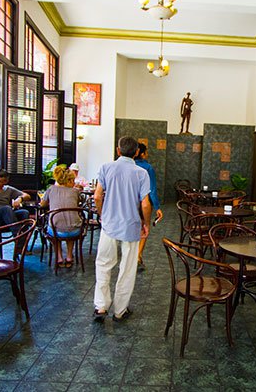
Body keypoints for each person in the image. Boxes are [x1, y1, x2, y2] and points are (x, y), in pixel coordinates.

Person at [92, 136, 151, 322]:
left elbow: (97, 197)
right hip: (131, 225)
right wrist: (146, 223)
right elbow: (146, 204)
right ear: (136, 152)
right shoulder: (141, 173)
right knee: (127, 268)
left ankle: (101, 306)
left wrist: (102, 215)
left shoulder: (106, 168)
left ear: (118, 150)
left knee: (103, 264)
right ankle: (120, 310)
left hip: (109, 224)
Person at [40, 166, 82, 268]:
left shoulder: (50, 189)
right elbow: (77, 203)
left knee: (56, 226)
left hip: (56, 231)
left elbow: (42, 205)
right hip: (74, 231)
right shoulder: (75, 191)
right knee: (71, 223)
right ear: (69, 180)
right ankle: (69, 257)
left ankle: (59, 257)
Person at [134, 142, 164, 271]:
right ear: (142, 153)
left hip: (129, 203)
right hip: (143, 203)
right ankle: (138, 255)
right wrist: (157, 207)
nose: (147, 154)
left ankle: (131, 256)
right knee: (144, 228)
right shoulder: (147, 168)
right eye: (146, 152)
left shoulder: (128, 166)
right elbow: (151, 189)